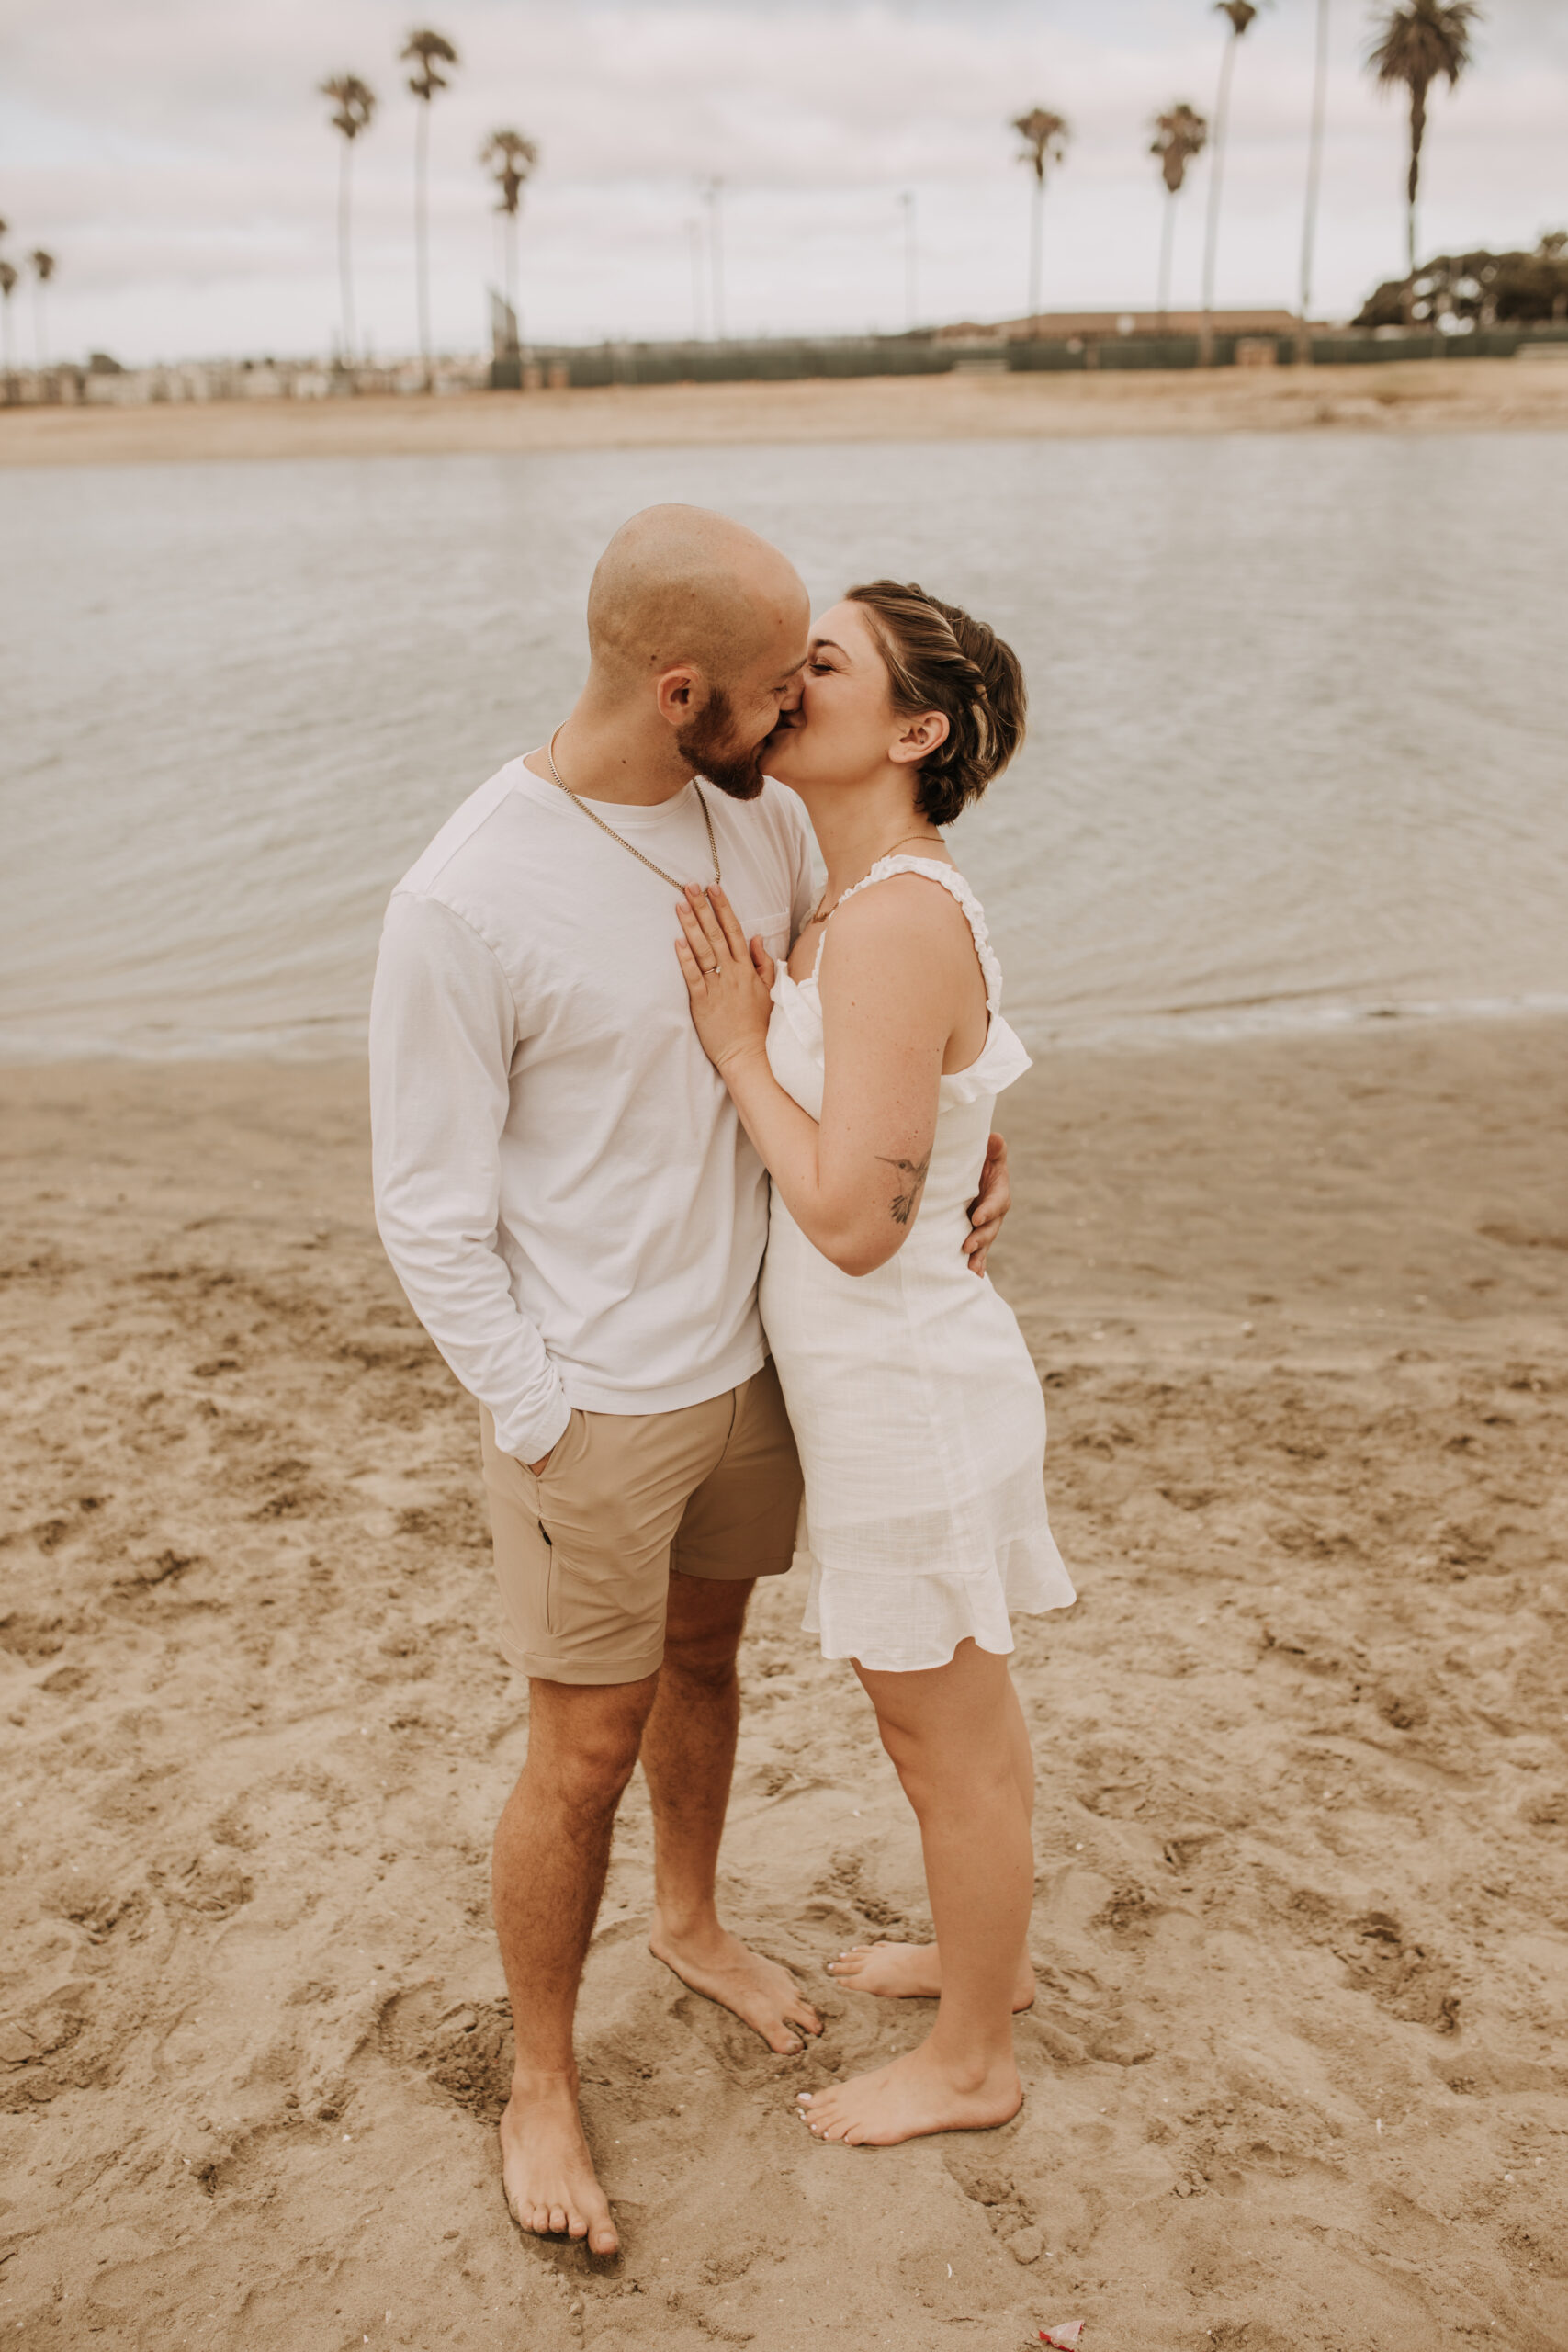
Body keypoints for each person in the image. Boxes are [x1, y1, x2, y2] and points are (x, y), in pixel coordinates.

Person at [368, 510, 1015, 2253]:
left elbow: (849, 1031)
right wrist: (538, 1407)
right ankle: (543, 2082)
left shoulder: (760, 814)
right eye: (769, 680)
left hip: (761, 1364)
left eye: (819, 668)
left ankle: (694, 1920)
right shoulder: (467, 899)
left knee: (708, 1670)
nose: (792, 704)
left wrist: (956, 1152)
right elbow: (425, 1213)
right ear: (679, 692)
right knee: (577, 1751)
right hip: (594, 1399)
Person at [675, 578, 1076, 2147]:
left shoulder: (894, 915)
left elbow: (847, 1219)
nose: (789, 678)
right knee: (954, 1727)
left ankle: (974, 2063)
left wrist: (729, 1045)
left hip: (907, 1385)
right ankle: (991, 1969)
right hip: (894, 1379)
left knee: (944, 1741)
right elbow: (933, 1103)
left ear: (915, 729)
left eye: (822, 664)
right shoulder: (864, 899)